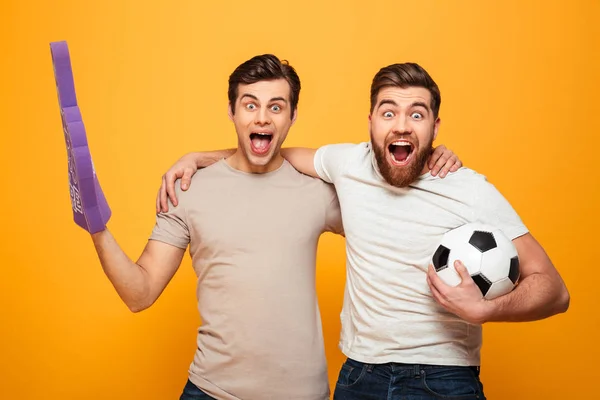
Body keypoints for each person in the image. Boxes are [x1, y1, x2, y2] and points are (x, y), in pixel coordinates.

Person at [159, 62, 570, 399]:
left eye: (417, 115)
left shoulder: (469, 188)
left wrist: (486, 310)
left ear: (435, 127)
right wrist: (199, 157)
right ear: (371, 121)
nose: (402, 126)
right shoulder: (347, 165)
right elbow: (268, 152)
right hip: (359, 377)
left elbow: (554, 289)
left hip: (444, 379)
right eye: (389, 112)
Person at [91, 54, 461, 400]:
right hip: (211, 391)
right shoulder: (187, 189)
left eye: (276, 107)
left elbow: (395, 212)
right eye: (250, 105)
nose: (262, 118)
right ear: (232, 112)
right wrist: (97, 227)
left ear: (292, 115)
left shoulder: (317, 191)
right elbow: (139, 294)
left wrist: (431, 161)